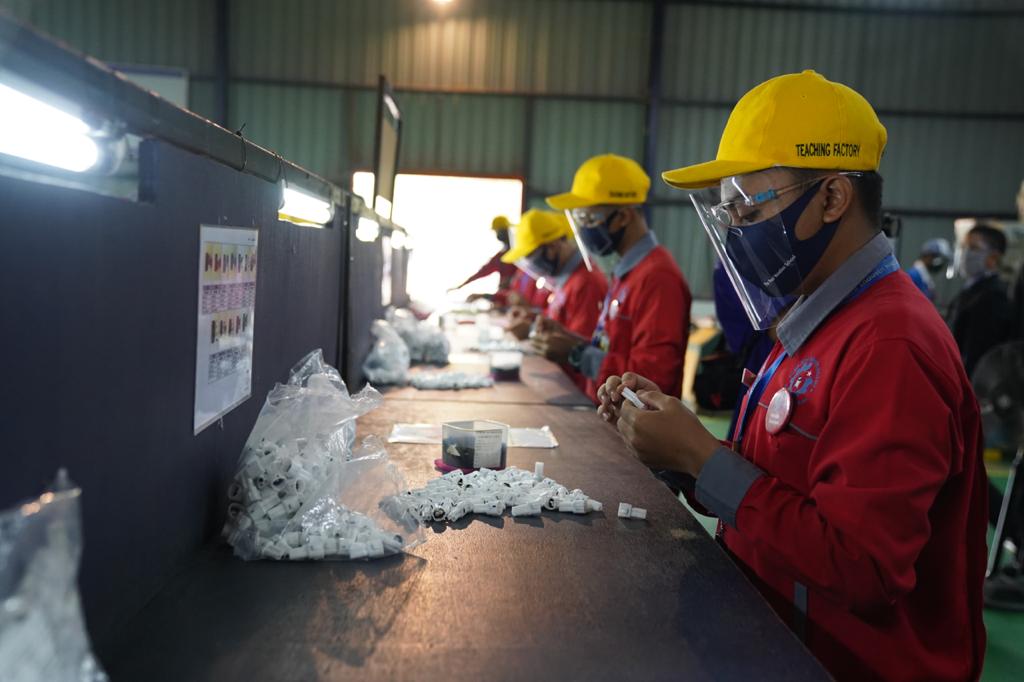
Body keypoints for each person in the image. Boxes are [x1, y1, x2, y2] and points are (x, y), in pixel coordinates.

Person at [599, 71, 987, 680]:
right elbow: (781, 486)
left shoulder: (890, 343)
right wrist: (678, 447)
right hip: (775, 640)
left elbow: (863, 567)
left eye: (750, 207)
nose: (736, 229)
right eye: (729, 210)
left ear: (833, 198)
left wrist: (704, 459)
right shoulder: (814, 319)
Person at [531, 154, 691, 403]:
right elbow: (614, 347)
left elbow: (653, 376)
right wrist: (568, 338)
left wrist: (577, 354)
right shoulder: (627, 272)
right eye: (579, 219)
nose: (584, 230)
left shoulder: (658, 278)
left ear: (624, 217)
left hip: (637, 429)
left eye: (589, 219)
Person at [501, 209, 608, 389]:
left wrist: (532, 331)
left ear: (552, 246)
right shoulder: (566, 280)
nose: (533, 265)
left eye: (532, 257)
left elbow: (578, 346)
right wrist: (532, 319)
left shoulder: (586, 283)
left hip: (577, 390)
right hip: (563, 382)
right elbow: (562, 324)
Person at [946, 223, 1012, 378]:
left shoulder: (992, 297)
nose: (965, 253)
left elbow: (977, 354)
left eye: (973, 248)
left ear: (993, 258)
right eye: (963, 247)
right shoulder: (971, 291)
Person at [448, 215, 518, 304]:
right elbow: (482, 272)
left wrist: (511, 280)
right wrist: (460, 286)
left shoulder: (519, 255)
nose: (498, 234)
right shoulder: (500, 256)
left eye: (499, 231)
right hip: (504, 299)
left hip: (514, 300)